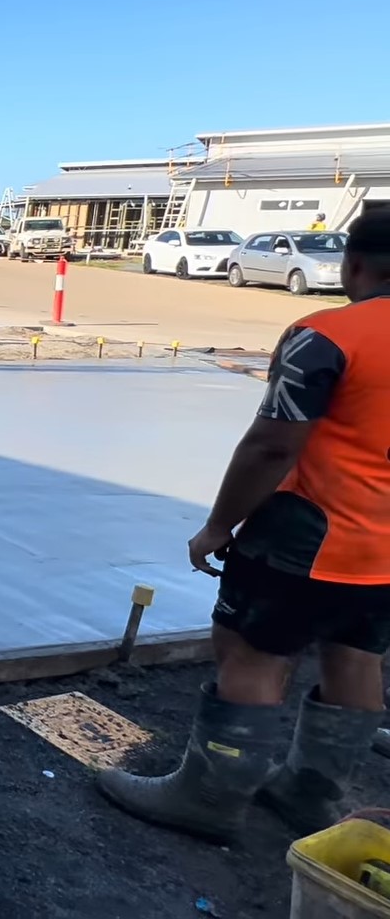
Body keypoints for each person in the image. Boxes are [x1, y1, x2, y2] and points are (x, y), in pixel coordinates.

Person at [97, 209, 390, 843]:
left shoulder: (330, 336)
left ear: (355, 264)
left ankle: (208, 799)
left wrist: (218, 526)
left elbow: (271, 447)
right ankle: (309, 795)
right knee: (356, 660)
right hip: (384, 553)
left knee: (251, 657)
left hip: (310, 536)